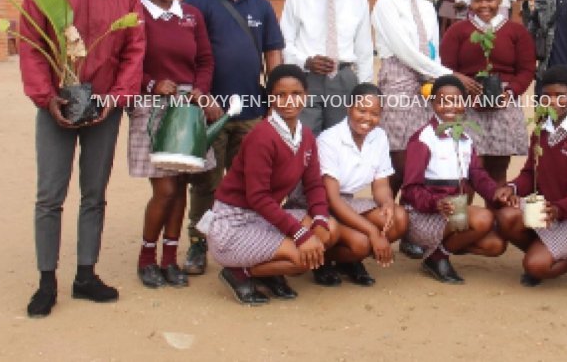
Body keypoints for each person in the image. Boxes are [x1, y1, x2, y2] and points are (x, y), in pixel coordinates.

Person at [21, 0, 146, 318]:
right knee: (49, 196)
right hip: (58, 102)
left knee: (94, 194)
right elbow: (31, 43)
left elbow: (134, 48)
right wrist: (46, 96)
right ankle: (46, 282)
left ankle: (85, 275)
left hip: (103, 107)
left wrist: (117, 97)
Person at [181, 0, 285, 277]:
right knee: (206, 183)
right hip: (209, 113)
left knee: (251, 182)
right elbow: (187, 58)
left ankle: (247, 240)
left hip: (252, 111)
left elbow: (273, 54)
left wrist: (274, 99)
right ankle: (198, 242)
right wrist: (203, 98)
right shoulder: (196, 3)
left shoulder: (260, 4)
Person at [371, 0, 479, 259]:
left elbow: (432, 50)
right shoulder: (386, 4)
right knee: (399, 159)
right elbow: (405, 52)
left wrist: (439, 82)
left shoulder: (427, 7)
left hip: (427, 79)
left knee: (422, 155)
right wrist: (449, 75)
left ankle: (411, 231)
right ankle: (384, 227)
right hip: (399, 78)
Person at [205, 65, 340, 305]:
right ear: (271, 98)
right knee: (300, 259)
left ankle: (268, 270)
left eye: (296, 93)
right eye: (280, 95)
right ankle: (239, 273)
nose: (289, 101)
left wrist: (319, 220)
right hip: (233, 224)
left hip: (263, 217)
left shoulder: (306, 136)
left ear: (306, 96)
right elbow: (258, 197)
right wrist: (300, 233)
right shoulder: (262, 136)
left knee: (330, 228)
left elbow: (314, 186)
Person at [129, 0, 217, 289]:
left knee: (180, 187)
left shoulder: (191, 15)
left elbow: (205, 60)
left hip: (187, 109)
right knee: (164, 189)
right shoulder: (135, 14)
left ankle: (169, 259)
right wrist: (151, 84)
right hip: (153, 106)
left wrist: (200, 90)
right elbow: (124, 61)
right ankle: (145, 258)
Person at [497, 66, 567, 287]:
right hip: (548, 208)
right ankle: (546, 247)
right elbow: (531, 172)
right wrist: (512, 188)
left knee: (535, 266)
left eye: (560, 95)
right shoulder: (542, 127)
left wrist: (560, 209)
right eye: (547, 95)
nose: (553, 101)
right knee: (505, 217)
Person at [400, 76, 514, 284]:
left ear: (465, 103)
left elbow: (478, 175)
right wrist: (435, 203)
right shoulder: (424, 138)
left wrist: (495, 193)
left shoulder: (464, 138)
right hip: (424, 215)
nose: (450, 106)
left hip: (452, 213)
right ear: (432, 103)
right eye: (443, 101)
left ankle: (441, 249)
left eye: (456, 100)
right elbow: (410, 189)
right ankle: (437, 257)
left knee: (496, 245)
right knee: (484, 218)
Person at [440, 0, 535, 187]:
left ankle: (496, 208)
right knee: (469, 170)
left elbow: (527, 69)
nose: (484, 5)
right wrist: (462, 86)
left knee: (498, 169)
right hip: (468, 104)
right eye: (478, 0)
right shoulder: (457, 31)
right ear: (470, 0)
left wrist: (510, 92)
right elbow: (446, 68)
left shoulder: (516, 31)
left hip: (504, 103)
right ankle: (470, 210)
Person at [317, 83, 410, 286]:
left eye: (374, 113)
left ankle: (347, 262)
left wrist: (387, 202)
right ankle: (322, 260)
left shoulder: (379, 136)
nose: (368, 118)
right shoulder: (329, 139)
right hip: (321, 204)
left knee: (399, 218)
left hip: (347, 202)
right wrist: (373, 232)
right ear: (349, 107)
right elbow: (332, 199)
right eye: (361, 110)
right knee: (362, 243)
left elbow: (380, 184)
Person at [281, 0, 373, 136]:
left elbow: (364, 48)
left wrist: (364, 89)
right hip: (307, 78)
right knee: (304, 137)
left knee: (341, 138)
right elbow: (285, 42)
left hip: (343, 78)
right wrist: (306, 62)